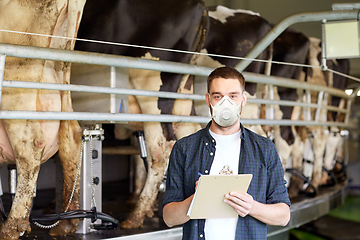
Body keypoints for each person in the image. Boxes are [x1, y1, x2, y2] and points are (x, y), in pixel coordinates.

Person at [162, 66, 291, 240]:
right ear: (208, 100)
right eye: (218, 96)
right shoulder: (185, 148)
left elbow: (283, 215)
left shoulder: (264, 149)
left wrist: (252, 207)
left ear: (243, 99)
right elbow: (169, 218)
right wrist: (197, 200)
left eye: (233, 96)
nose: (226, 103)